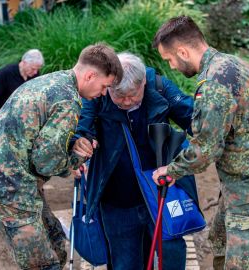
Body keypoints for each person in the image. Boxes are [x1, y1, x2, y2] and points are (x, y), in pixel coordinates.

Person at [0, 44, 123, 270]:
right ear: (90, 75)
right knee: (42, 263)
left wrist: (70, 143)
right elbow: (46, 161)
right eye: (104, 86)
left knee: (56, 240)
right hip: (4, 183)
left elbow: (38, 134)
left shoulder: (52, 81)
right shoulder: (68, 100)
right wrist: (75, 159)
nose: (103, 93)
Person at [151, 15, 249, 269]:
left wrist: (170, 171)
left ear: (182, 51)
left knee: (239, 264)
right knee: (220, 239)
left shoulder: (214, 83)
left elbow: (205, 149)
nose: (171, 66)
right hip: (248, 178)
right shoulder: (230, 62)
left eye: (170, 59)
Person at [72, 52, 200, 270]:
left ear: (143, 83)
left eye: (132, 95)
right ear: (109, 85)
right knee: (124, 262)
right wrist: (78, 147)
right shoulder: (99, 95)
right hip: (117, 198)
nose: (127, 101)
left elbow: (193, 118)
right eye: (119, 96)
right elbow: (80, 128)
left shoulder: (158, 86)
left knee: (171, 252)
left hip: (161, 192)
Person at [0, 49, 44, 125]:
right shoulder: (6, 73)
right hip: (2, 116)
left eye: (37, 69)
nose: (35, 72)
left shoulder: (34, 74)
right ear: (24, 62)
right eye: (33, 69)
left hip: (21, 117)